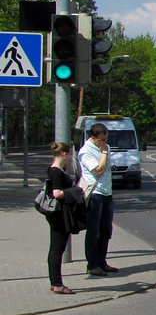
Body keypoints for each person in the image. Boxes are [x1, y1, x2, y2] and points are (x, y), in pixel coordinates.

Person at [78, 122, 118, 277]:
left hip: (107, 193)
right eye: (102, 139)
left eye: (106, 139)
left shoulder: (105, 148)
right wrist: (103, 153)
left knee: (106, 230)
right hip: (95, 194)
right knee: (94, 230)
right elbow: (99, 170)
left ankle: (102, 261)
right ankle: (93, 264)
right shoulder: (86, 151)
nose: (105, 142)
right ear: (94, 137)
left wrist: (104, 151)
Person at [45, 142, 78, 294]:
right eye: (70, 154)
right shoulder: (56, 172)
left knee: (57, 248)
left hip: (57, 214)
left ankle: (56, 282)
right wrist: (73, 192)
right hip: (58, 214)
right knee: (57, 249)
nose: (70, 158)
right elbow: (57, 193)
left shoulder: (55, 170)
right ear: (64, 154)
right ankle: (57, 283)